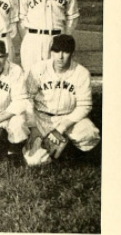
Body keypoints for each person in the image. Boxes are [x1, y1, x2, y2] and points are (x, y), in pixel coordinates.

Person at [23, 35, 100, 166]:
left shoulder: (81, 73)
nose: (60, 56)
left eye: (65, 52)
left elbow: (84, 105)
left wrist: (61, 128)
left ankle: (66, 146)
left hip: (68, 118)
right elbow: (27, 98)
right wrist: (33, 126)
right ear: (51, 52)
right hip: (41, 117)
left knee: (90, 134)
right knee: (34, 161)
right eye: (56, 51)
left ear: (72, 53)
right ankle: (43, 147)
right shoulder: (38, 69)